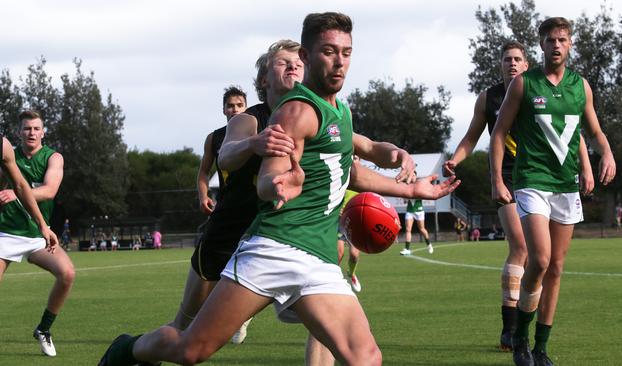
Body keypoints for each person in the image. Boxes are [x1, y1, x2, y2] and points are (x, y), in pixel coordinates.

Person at [99, 12, 459, 366]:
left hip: (318, 258)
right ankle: (127, 350)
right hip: (274, 248)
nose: (339, 62)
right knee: (190, 350)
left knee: (365, 357)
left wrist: (413, 189)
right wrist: (280, 184)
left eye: (346, 52)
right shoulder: (292, 113)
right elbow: (265, 179)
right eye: (328, 51)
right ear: (307, 56)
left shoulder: (340, 112)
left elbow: (349, 170)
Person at [490, 17, 615, 366]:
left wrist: (605, 153)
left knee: (556, 268)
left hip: (565, 185)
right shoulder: (523, 85)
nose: (556, 45)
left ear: (570, 44)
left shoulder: (581, 87)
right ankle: (520, 338)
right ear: (541, 45)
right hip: (531, 181)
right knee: (539, 259)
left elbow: (594, 131)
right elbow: (498, 133)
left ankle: (540, 346)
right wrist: (497, 181)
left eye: (562, 39)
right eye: (549, 40)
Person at [164, 40, 301, 346]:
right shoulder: (246, 122)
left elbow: (353, 149)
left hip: (278, 236)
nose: (294, 66)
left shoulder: (315, 116)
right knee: (185, 330)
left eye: (299, 62)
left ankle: (244, 312)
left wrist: (402, 182)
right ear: (264, 79)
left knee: (331, 322)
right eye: (283, 62)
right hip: (228, 228)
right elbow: (224, 158)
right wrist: (253, 144)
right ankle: (138, 351)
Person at [0, 110, 70, 358]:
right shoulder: (8, 154)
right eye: (27, 128)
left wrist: (17, 193)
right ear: (19, 131)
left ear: (43, 132)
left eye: (36, 128)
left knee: (67, 273)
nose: (31, 132)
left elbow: (50, 190)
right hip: (5, 234)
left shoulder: (54, 157)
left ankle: (44, 329)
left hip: (37, 234)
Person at [196, 85, 247, 217]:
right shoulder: (214, 138)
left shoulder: (257, 133)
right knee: (208, 238)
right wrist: (203, 196)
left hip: (254, 203)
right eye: (230, 106)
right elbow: (203, 172)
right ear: (224, 110)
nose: (235, 109)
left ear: (246, 108)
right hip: (226, 203)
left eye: (240, 105)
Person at [338, 189, 362, 292]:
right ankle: (333, 278)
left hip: (354, 223)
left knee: (354, 255)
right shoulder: (342, 182)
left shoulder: (362, 188)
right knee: (339, 254)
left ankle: (351, 274)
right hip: (339, 222)